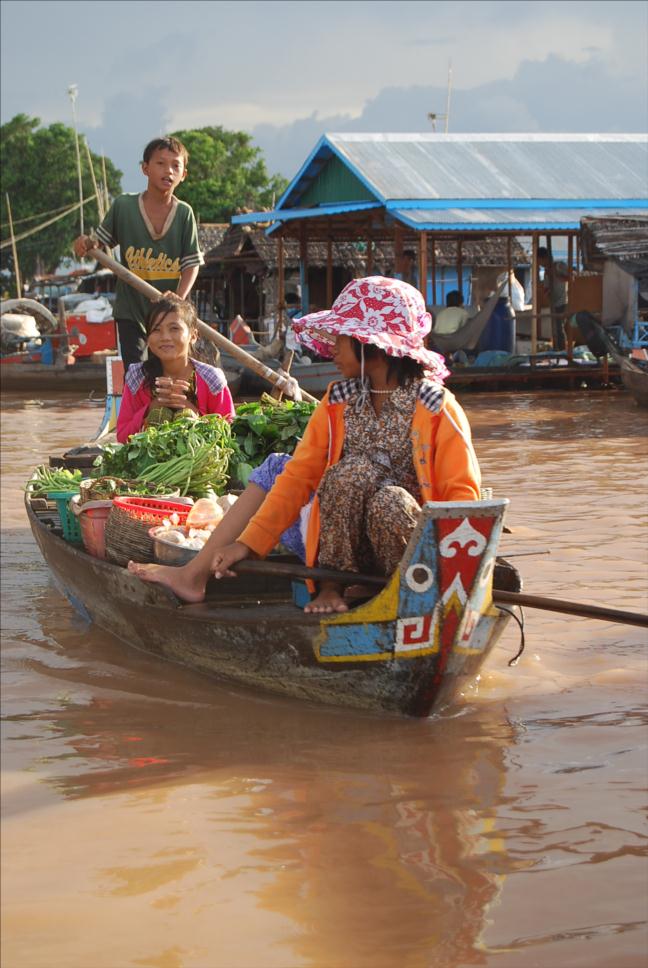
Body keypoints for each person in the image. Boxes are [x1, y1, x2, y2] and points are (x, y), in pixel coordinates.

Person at [129, 276, 481, 614]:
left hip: (411, 552)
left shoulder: (436, 406)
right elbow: (299, 476)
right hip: (345, 552)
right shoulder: (339, 401)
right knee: (348, 472)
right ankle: (331, 585)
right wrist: (247, 544)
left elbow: (461, 493)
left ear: (370, 345)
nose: (332, 350)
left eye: (341, 339)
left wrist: (460, 572)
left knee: (388, 498)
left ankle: (397, 589)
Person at [73, 136, 203, 368]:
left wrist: (179, 298)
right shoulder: (124, 206)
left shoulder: (184, 214)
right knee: (136, 371)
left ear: (183, 175)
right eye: (160, 163)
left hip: (168, 312)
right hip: (131, 309)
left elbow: (191, 264)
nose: (168, 171)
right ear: (145, 168)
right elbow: (98, 244)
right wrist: (85, 243)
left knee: (166, 371)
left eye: (176, 165)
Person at [116, 295, 234, 443]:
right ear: (148, 337)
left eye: (174, 329)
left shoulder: (212, 380)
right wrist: (151, 408)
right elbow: (122, 438)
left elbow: (230, 435)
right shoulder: (137, 377)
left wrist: (190, 410)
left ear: (193, 336)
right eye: (156, 330)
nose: (165, 337)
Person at [538, 247, 569, 350]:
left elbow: (570, 278)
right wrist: (546, 291)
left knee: (559, 329)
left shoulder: (559, 265)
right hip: (554, 303)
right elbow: (547, 288)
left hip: (563, 302)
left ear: (545, 258)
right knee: (555, 329)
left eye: (539, 260)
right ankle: (558, 349)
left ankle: (562, 350)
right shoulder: (546, 272)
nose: (539, 263)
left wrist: (555, 274)